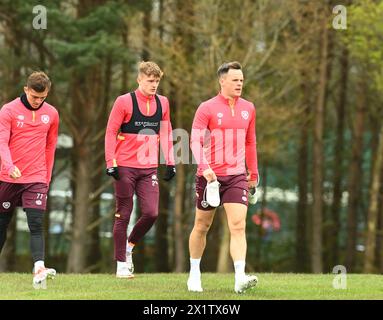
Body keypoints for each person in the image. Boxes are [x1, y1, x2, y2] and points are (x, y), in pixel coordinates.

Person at [188, 61, 259, 293]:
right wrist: (205, 167)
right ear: (222, 81)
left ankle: (239, 278)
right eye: (235, 80)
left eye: (241, 80)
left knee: (238, 225)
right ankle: (194, 273)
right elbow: (194, 141)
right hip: (209, 178)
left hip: (237, 175)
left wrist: (253, 172)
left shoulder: (249, 108)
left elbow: (250, 142)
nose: (240, 83)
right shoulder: (206, 108)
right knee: (202, 225)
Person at [105, 61, 176, 278]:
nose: (154, 85)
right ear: (139, 79)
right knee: (123, 214)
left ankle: (128, 247)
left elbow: (166, 132)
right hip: (125, 166)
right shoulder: (124, 101)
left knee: (152, 213)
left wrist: (171, 162)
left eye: (157, 81)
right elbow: (110, 132)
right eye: (150, 81)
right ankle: (120, 265)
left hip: (148, 167)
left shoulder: (163, 103)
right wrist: (111, 163)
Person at [0, 71, 59, 288]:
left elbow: (50, 146)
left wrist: (47, 175)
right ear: (26, 89)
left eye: (43, 98)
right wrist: (9, 166)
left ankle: (39, 268)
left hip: (36, 177)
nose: (38, 101)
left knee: (35, 223)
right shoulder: (8, 110)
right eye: (35, 97)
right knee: (2, 223)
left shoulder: (52, 113)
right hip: (8, 176)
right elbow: (2, 142)